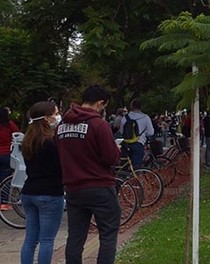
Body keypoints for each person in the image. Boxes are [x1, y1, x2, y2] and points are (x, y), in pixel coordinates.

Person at [57, 85, 122, 264]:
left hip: (73, 188)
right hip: (100, 186)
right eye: (104, 106)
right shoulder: (99, 125)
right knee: (108, 234)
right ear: (100, 103)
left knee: (75, 237)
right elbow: (111, 158)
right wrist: (116, 150)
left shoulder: (62, 125)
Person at [20, 101, 65, 264]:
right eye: (55, 113)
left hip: (29, 192)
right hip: (50, 193)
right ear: (46, 118)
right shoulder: (52, 142)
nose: (58, 116)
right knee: (47, 240)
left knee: (30, 240)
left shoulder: (27, 140)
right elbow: (59, 168)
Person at [121, 99, 154, 169]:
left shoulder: (125, 118)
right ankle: (136, 178)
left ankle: (124, 178)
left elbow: (121, 131)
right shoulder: (146, 117)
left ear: (131, 107)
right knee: (137, 167)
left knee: (125, 166)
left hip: (126, 144)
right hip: (139, 143)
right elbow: (151, 132)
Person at [0, 107, 21, 210]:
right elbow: (17, 134)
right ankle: (3, 202)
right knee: (5, 179)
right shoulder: (9, 125)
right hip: (6, 153)